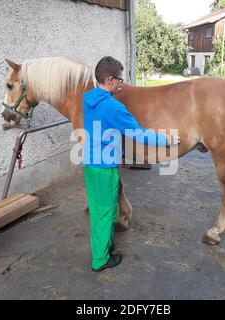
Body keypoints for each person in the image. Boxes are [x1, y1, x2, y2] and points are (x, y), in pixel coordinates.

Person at [83, 56, 180, 272]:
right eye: (119, 79)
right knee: (105, 213)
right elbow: (138, 134)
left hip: (90, 165)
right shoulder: (113, 107)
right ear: (109, 79)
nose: (121, 84)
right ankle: (100, 260)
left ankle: (105, 248)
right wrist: (167, 140)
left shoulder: (88, 98)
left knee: (100, 209)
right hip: (104, 168)